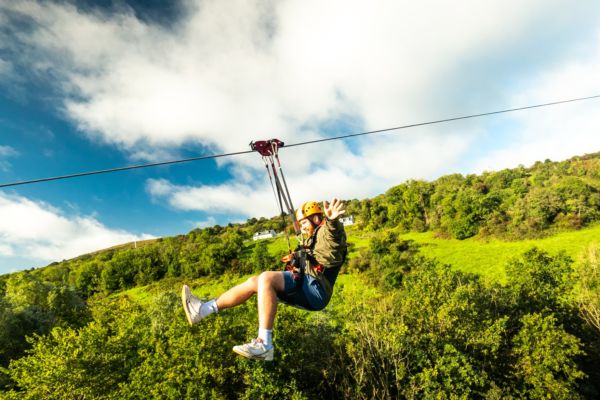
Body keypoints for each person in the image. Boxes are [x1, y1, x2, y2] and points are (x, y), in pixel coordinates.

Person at [181, 198, 347, 361]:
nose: (302, 228)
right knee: (256, 281)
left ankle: (264, 344)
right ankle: (202, 310)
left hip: (315, 289)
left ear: (316, 219)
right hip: (308, 289)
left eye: (304, 223)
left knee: (267, 277)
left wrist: (332, 220)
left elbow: (332, 239)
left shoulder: (327, 232)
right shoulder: (313, 238)